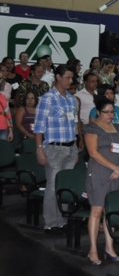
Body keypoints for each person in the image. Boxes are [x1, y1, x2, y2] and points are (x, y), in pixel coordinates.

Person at [34, 65, 82, 235]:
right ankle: (51, 222)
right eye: (67, 77)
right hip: (54, 147)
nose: (70, 81)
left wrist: (75, 147)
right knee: (53, 186)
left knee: (66, 186)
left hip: (70, 147)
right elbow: (39, 126)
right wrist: (39, 149)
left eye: (72, 78)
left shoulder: (72, 99)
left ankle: (63, 220)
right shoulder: (47, 98)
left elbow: (74, 124)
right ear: (58, 77)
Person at [84, 97, 119, 265]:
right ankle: (93, 250)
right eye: (106, 112)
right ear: (98, 112)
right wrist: (114, 167)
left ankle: (109, 247)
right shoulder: (92, 128)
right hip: (100, 172)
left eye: (112, 112)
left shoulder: (117, 127)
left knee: (110, 211)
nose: (110, 115)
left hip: (117, 173)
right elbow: (93, 153)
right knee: (97, 211)